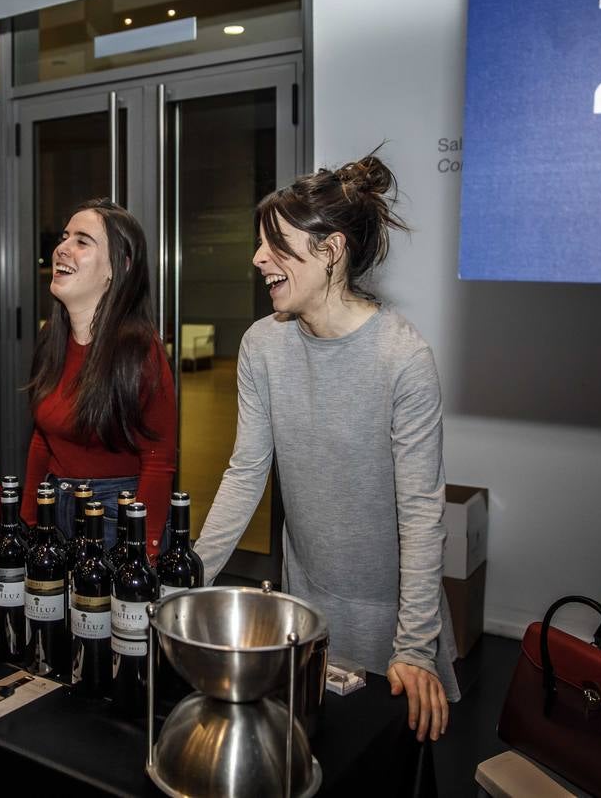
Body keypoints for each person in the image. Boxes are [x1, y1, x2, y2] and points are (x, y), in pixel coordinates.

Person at [193, 155, 458, 744]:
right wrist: (188, 580)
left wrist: (414, 647)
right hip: (300, 606)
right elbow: (246, 473)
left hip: (389, 622)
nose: (257, 259)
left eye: (276, 245)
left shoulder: (403, 359)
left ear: (331, 249)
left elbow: (421, 514)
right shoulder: (262, 345)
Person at [21, 199, 176, 555]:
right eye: (64, 237)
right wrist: (28, 522)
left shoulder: (140, 350)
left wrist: (144, 553)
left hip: (115, 518)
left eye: (82, 241)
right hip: (55, 507)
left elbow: (158, 459)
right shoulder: (51, 339)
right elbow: (43, 440)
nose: (62, 248)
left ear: (117, 268)